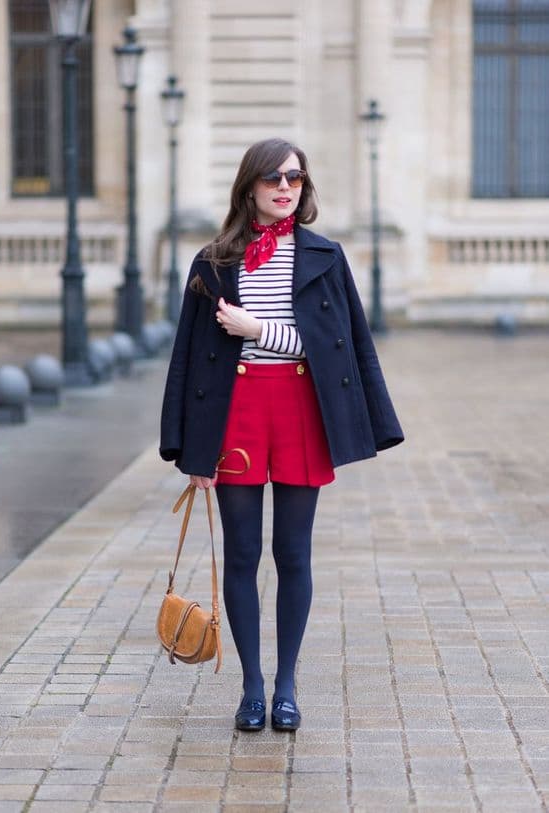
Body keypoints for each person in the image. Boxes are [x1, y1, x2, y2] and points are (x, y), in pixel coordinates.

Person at [160, 137, 404, 732]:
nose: (285, 188)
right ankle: (251, 687)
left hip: (300, 410)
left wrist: (256, 328)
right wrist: (191, 448)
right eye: (273, 179)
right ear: (250, 187)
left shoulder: (325, 255)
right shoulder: (214, 262)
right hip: (235, 413)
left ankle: (287, 685)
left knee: (292, 552)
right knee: (242, 554)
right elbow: (187, 358)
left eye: (295, 178)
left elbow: (342, 346)